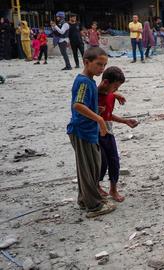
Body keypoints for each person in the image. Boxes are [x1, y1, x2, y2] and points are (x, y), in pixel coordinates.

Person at [66, 47, 116, 218]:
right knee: (89, 168)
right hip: (82, 131)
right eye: (99, 64)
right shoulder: (84, 82)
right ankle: (94, 206)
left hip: (88, 131)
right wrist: (99, 119)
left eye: (104, 65)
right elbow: (78, 105)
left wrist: (97, 109)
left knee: (90, 167)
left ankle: (84, 199)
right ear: (87, 62)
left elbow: (86, 104)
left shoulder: (90, 81)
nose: (102, 69)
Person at [97, 66, 138, 202]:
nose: (116, 90)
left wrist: (125, 121)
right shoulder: (93, 96)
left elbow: (109, 115)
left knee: (114, 161)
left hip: (108, 132)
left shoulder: (111, 96)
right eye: (115, 87)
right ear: (106, 82)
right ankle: (96, 185)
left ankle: (113, 189)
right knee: (101, 162)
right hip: (95, 134)